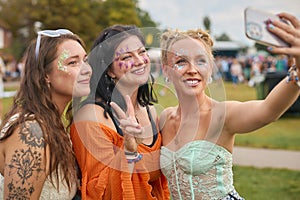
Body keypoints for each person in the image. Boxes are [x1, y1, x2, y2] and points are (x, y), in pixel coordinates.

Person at [157, 12, 300, 200]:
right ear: (166, 70)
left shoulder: (222, 115)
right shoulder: (165, 118)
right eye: (181, 61)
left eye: (201, 61)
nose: (192, 69)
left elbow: (268, 110)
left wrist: (298, 69)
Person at [70, 25, 170, 199]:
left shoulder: (151, 112)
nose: (139, 61)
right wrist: (129, 151)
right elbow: (100, 192)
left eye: (141, 52)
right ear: (109, 70)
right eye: (127, 56)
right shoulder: (91, 117)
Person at [0, 29, 92, 199]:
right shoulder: (30, 133)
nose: (87, 69)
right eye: (73, 63)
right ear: (45, 75)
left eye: (85, 60)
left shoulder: (53, 123)